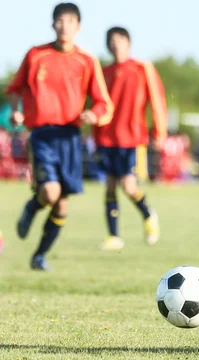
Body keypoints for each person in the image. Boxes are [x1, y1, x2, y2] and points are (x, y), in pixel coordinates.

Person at [7, 2, 113, 271]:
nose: (64, 26)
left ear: (78, 27)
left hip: (70, 137)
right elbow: (15, 88)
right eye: (60, 21)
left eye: (70, 22)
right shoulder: (35, 55)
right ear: (53, 24)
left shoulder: (87, 61)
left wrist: (93, 115)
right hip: (42, 134)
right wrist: (17, 112)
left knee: (62, 206)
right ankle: (32, 207)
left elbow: (103, 102)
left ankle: (39, 256)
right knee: (50, 192)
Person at [94, 27, 167, 251]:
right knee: (109, 186)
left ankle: (148, 214)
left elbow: (157, 99)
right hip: (106, 138)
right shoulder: (102, 72)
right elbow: (97, 104)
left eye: (120, 40)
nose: (116, 44)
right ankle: (114, 236)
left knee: (128, 186)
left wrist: (159, 132)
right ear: (108, 45)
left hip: (132, 138)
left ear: (128, 42)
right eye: (112, 41)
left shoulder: (142, 68)